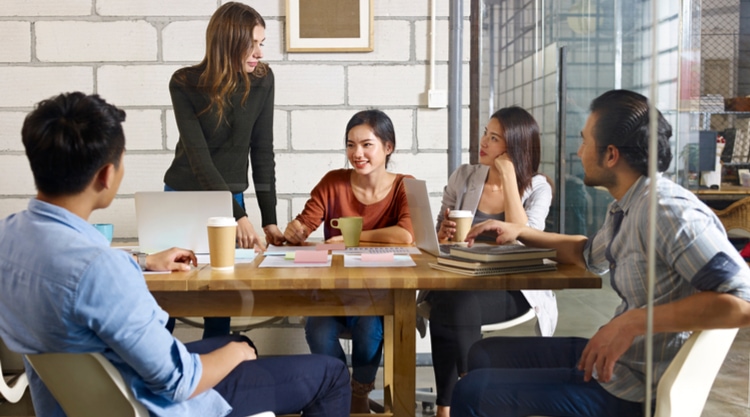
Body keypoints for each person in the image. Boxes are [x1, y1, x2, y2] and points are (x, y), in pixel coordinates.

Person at [0, 92, 350, 417]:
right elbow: (179, 383)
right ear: (107, 175)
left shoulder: (10, 237)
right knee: (328, 372)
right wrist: (235, 354)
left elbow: (77, 275)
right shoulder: (99, 271)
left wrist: (144, 262)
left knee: (236, 340)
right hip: (155, 403)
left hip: (73, 403)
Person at [450, 89, 750, 417]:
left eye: (584, 141)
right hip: (618, 363)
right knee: (483, 354)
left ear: (610, 155)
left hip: (633, 388)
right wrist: (522, 232)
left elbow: (743, 302)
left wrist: (633, 322)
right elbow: (586, 254)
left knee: (471, 392)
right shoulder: (629, 206)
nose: (578, 152)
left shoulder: (666, 212)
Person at [417, 106, 555, 417]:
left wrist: (508, 177)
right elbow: (439, 236)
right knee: (452, 298)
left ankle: (458, 399)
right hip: (459, 279)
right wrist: (442, 232)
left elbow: (526, 237)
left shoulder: (538, 187)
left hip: (510, 288)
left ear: (514, 149)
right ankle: (462, 400)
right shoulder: (464, 176)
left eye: (495, 139)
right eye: (485, 133)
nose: (484, 142)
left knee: (453, 301)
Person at [163, 2, 282, 338]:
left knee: (220, 297)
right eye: (253, 44)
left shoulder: (263, 79)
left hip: (231, 198)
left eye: (262, 43)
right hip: (183, 195)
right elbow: (200, 160)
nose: (259, 53)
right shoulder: (184, 82)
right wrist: (238, 214)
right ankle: (154, 378)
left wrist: (269, 219)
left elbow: (262, 151)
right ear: (229, 42)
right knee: (166, 298)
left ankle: (217, 377)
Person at [283, 109, 414, 413]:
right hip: (334, 291)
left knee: (370, 332)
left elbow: (405, 235)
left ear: (388, 147)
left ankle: (359, 394)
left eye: (367, 144)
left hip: (379, 293)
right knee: (317, 330)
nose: (357, 153)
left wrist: (351, 239)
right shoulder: (333, 182)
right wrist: (294, 231)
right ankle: (338, 390)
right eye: (350, 145)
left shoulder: (404, 185)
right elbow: (305, 223)